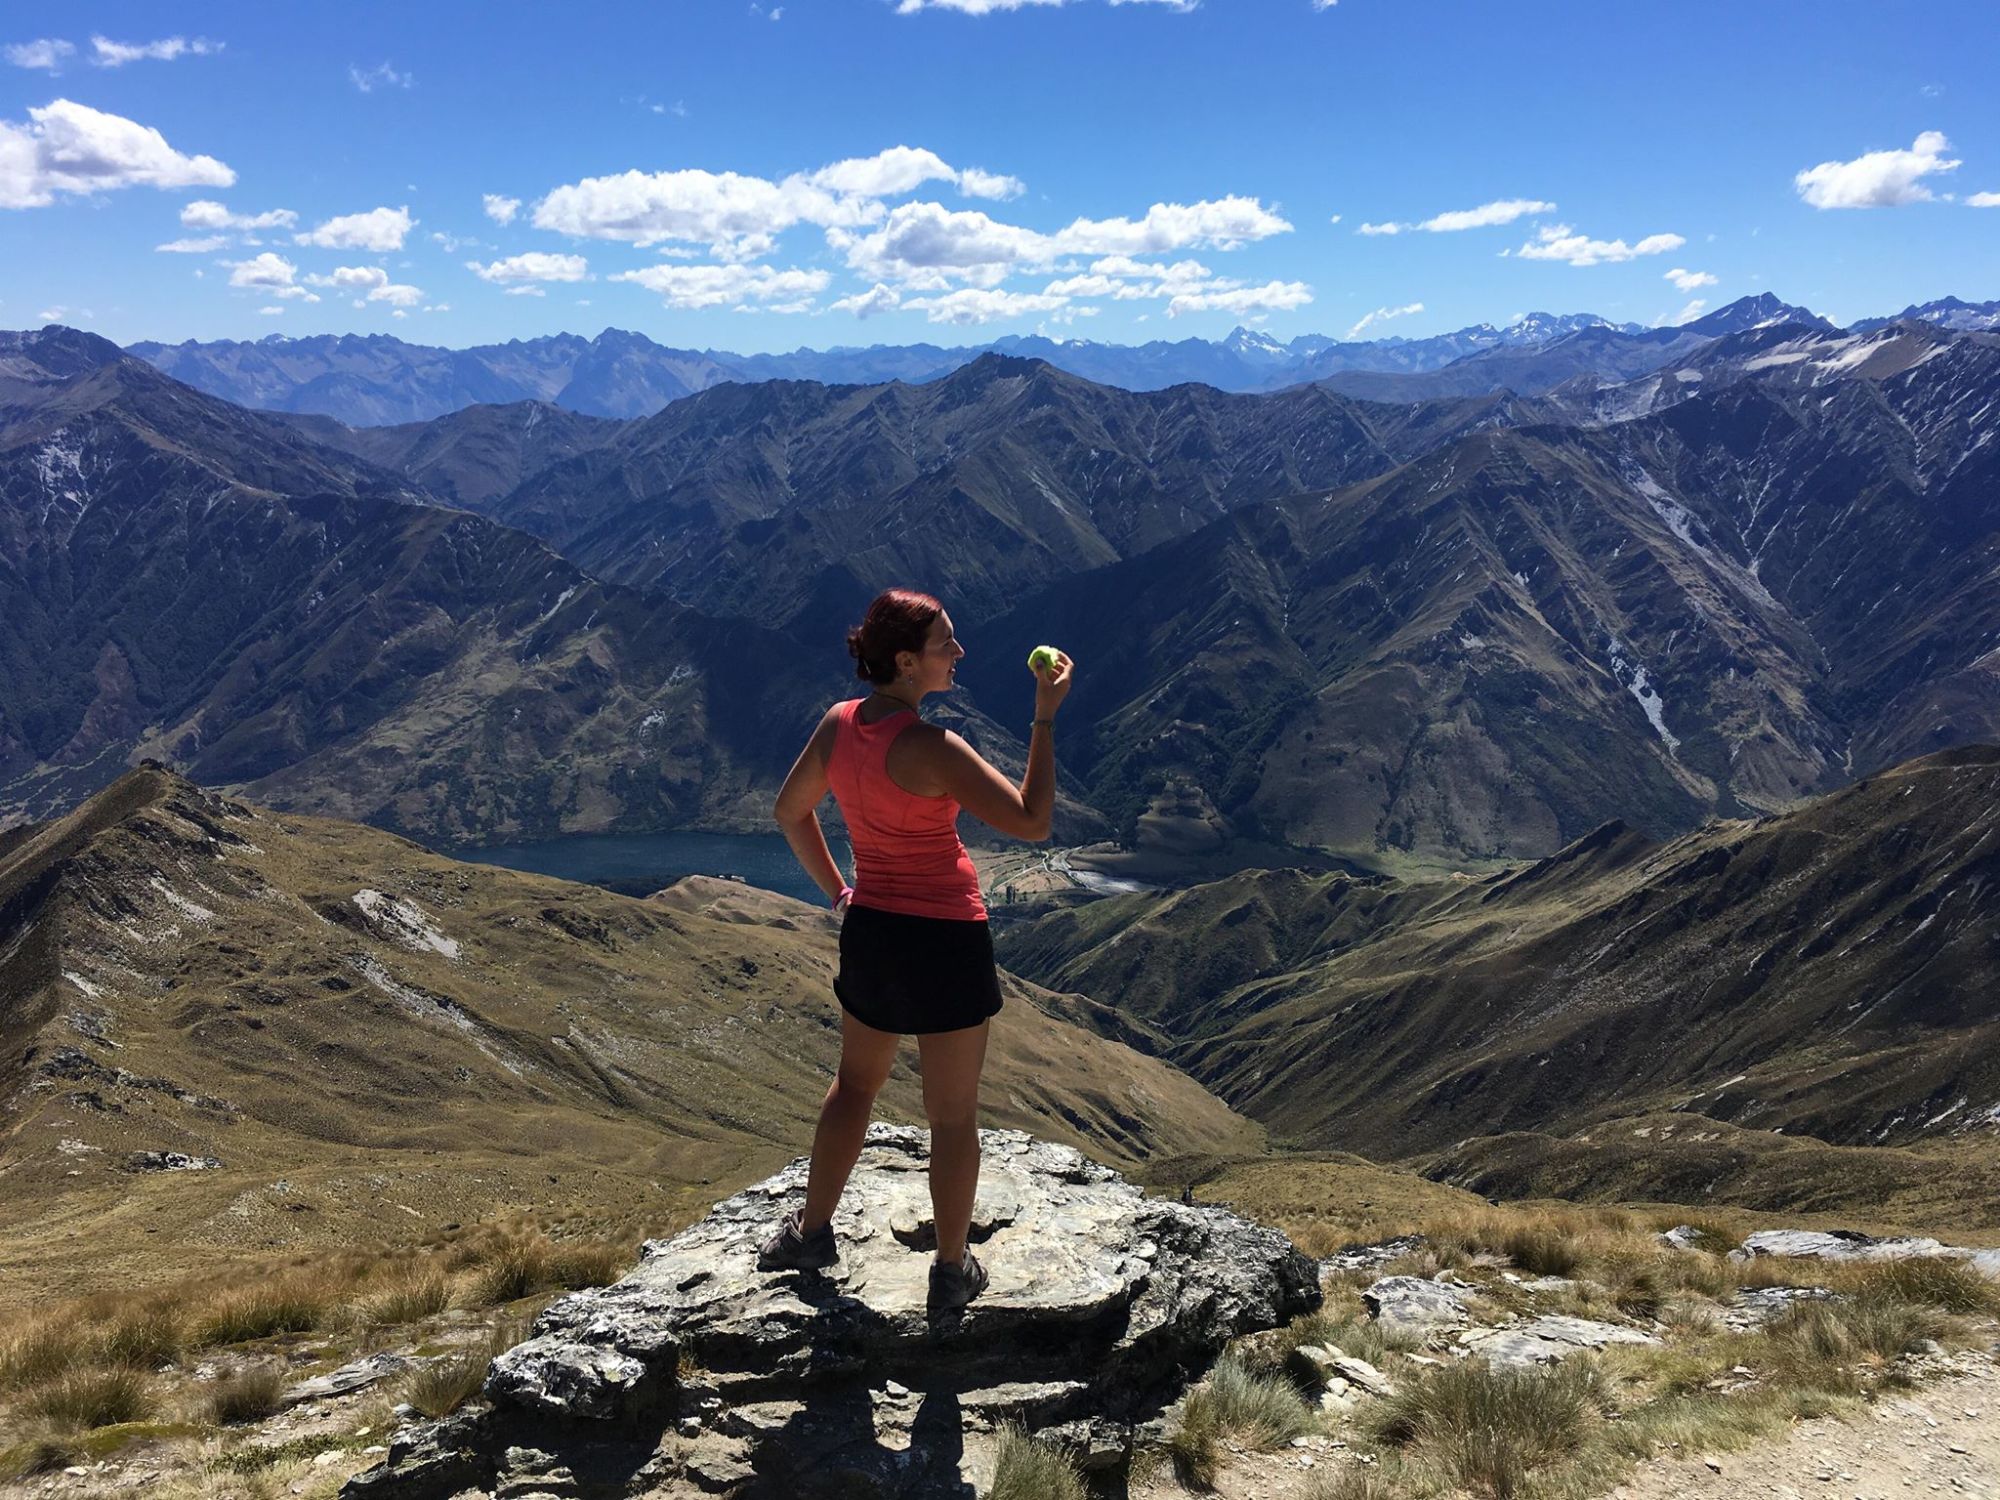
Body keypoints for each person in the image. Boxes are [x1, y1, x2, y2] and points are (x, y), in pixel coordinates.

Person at [759, 588, 1073, 1312]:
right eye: (945, 645)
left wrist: (840, 894)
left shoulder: (838, 726)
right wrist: (1045, 718)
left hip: (873, 930)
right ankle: (951, 1271)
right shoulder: (936, 750)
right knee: (952, 1115)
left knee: (854, 1086)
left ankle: (810, 1233)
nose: (959, 654)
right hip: (946, 940)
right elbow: (1032, 822)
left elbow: (788, 811)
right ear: (906, 662)